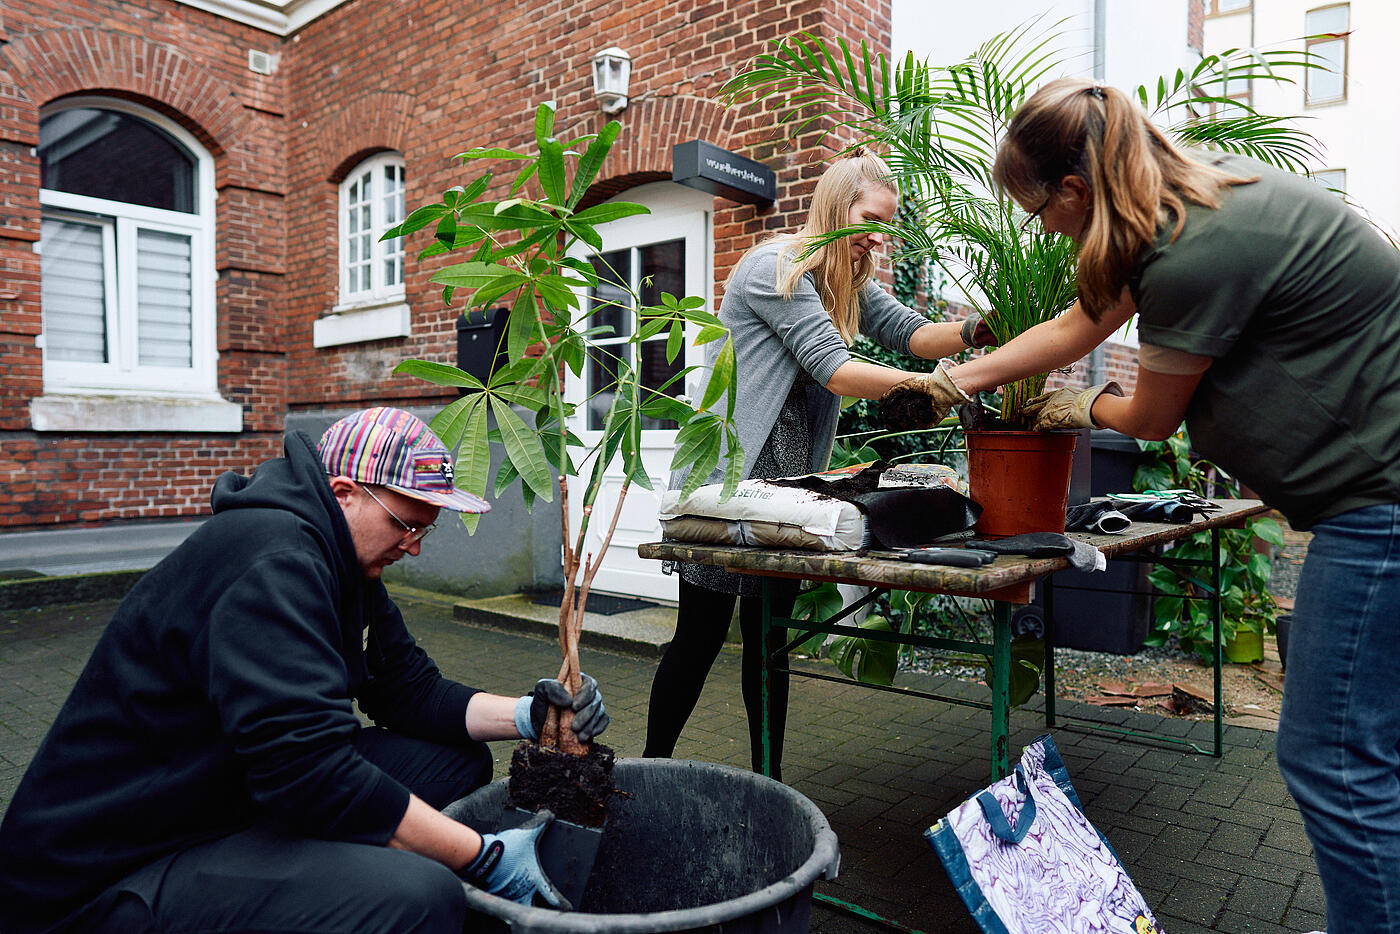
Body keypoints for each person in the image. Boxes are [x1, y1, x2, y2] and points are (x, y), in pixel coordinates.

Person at [891, 76, 1400, 934]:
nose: (1037, 227)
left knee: (1332, 757)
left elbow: (1150, 417)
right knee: (1366, 754)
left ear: (1075, 190)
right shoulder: (1198, 203)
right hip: (1373, 503)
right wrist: (948, 380)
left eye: (1033, 207)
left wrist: (1072, 407)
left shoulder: (1191, 250)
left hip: (1379, 511)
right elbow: (1074, 329)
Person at [0, 406, 611, 934]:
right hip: (120, 866)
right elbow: (310, 771)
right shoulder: (272, 562)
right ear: (344, 492)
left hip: (233, 790)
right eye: (407, 523)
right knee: (422, 897)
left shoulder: (343, 561)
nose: (415, 546)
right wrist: (479, 856)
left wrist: (530, 715)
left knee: (456, 761)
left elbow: (408, 690)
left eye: (428, 527)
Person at [644, 150, 992, 781]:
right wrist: (929, 387)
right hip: (732, 478)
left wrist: (975, 335)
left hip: (788, 487)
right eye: (869, 219)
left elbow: (910, 332)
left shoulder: (850, 279)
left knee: (768, 646)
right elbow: (833, 366)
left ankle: (766, 786)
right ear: (835, 205)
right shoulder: (773, 268)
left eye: (887, 224)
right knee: (697, 641)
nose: (878, 237)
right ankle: (648, 769)